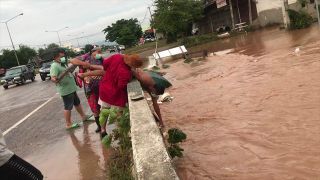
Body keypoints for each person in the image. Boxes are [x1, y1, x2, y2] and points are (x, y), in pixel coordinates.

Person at [79, 54, 143, 137]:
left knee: (103, 112)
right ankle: (123, 133)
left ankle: (103, 130)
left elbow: (105, 64)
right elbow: (121, 86)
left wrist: (110, 71)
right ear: (132, 65)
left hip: (105, 88)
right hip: (115, 95)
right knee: (119, 114)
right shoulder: (125, 72)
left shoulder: (117, 56)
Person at [50, 48, 89, 129]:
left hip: (71, 88)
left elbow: (68, 70)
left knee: (77, 103)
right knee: (68, 106)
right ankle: (68, 124)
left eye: (63, 56)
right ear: (56, 57)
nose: (63, 58)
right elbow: (53, 78)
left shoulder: (62, 64)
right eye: (61, 56)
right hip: (66, 91)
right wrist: (55, 79)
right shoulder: (54, 66)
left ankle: (83, 116)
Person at [70, 46, 103, 133]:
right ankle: (99, 126)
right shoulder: (85, 57)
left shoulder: (101, 59)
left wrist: (90, 66)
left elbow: (103, 69)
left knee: (104, 106)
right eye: (98, 51)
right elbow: (72, 61)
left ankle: (104, 126)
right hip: (89, 88)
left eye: (100, 52)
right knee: (94, 107)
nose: (99, 53)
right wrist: (85, 64)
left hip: (101, 86)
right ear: (92, 52)